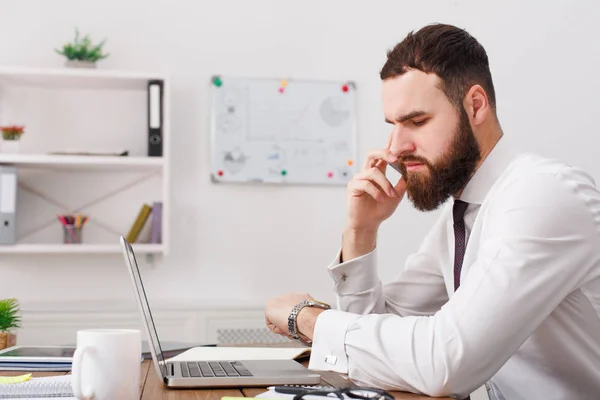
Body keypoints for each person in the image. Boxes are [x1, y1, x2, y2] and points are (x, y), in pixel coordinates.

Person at [264, 23, 600, 400]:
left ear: (475, 105)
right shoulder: (461, 216)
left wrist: (307, 318)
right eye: (392, 125)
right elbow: (376, 338)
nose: (396, 148)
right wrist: (361, 232)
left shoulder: (543, 195)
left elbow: (446, 363)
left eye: (417, 121)